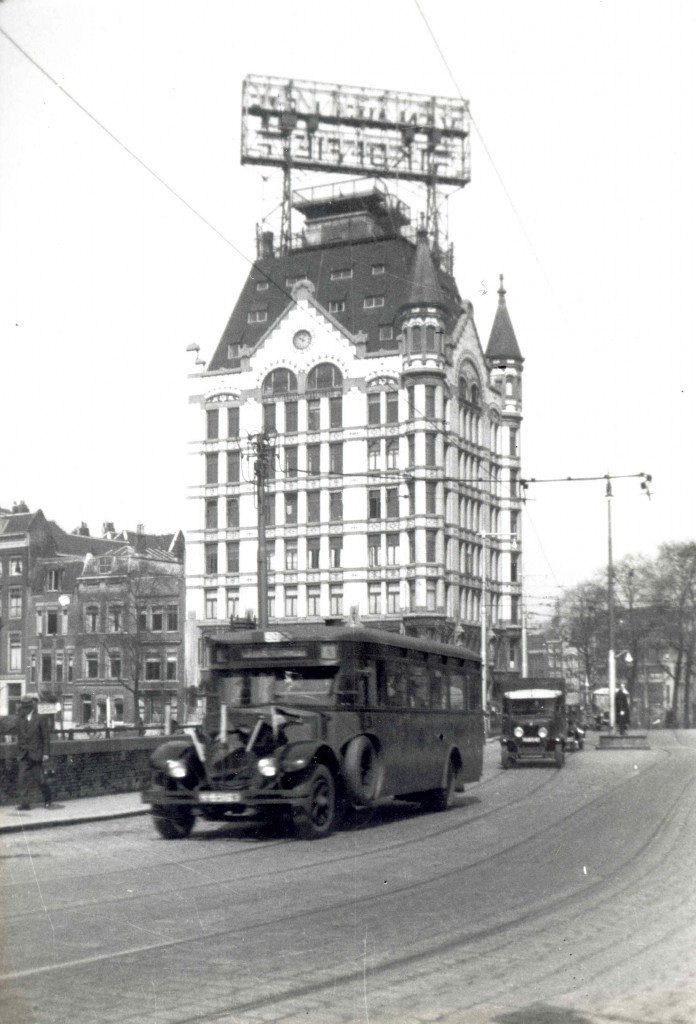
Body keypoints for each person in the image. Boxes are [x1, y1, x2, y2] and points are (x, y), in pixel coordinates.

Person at [15, 695, 52, 810]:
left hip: (36, 753)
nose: (24, 710)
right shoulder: (20, 718)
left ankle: (48, 799)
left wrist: (46, 753)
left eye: (26, 707)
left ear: (31, 707)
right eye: (23, 707)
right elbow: (18, 734)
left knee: (40, 779)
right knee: (22, 779)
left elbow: (46, 737)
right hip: (24, 754)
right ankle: (25, 804)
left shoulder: (40, 718)